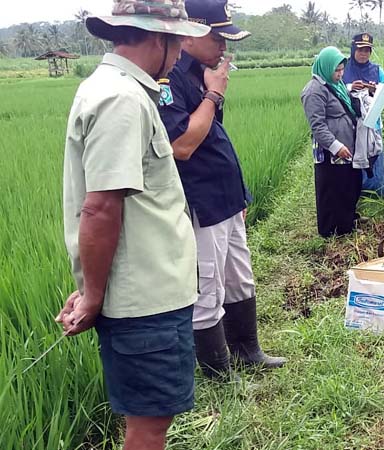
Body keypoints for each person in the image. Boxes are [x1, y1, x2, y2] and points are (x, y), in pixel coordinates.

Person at [56, 1, 209, 449]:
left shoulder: (116, 89)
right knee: (149, 426)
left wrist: (91, 288)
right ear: (154, 37)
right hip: (145, 302)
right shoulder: (121, 99)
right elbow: (100, 207)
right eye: (177, 38)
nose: (183, 49)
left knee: (151, 421)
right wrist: (95, 295)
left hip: (148, 295)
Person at [157, 0, 284, 379]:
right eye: (218, 37)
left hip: (226, 199)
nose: (224, 47)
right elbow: (182, 145)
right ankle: (218, 373)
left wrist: (239, 195)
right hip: (201, 203)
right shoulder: (171, 79)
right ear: (192, 34)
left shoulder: (202, 71)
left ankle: (248, 351)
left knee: (239, 277)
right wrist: (214, 95)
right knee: (207, 286)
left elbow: (217, 139)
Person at [301, 46, 362, 238]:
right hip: (330, 150)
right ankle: (331, 230)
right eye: (336, 70)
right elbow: (317, 126)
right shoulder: (313, 91)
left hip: (346, 145)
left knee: (348, 184)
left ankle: (347, 221)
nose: (340, 74)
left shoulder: (334, 85)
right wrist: (336, 147)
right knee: (331, 188)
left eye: (342, 70)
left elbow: (342, 101)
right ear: (325, 67)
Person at [343, 32, 384, 198]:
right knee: (353, 156)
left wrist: (374, 90)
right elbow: (334, 90)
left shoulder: (377, 71)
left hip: (372, 122)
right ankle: (356, 194)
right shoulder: (344, 68)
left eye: (367, 50)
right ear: (353, 49)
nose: (363, 54)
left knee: (374, 155)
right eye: (360, 49)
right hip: (350, 124)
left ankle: (378, 193)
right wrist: (349, 87)